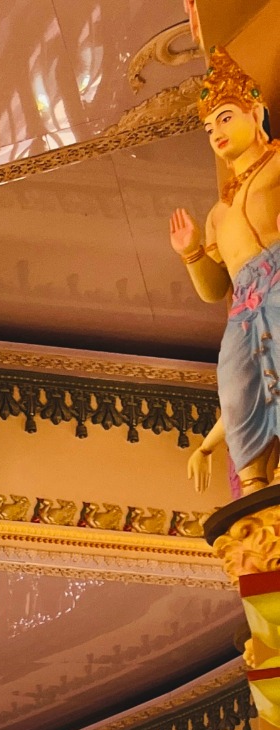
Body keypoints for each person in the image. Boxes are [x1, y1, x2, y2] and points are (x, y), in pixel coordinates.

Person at [173, 49, 280, 496]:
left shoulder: (276, 166)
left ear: (256, 113)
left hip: (276, 281)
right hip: (243, 301)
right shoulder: (218, 213)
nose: (215, 131)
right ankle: (254, 484)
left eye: (225, 117)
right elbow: (215, 290)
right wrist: (192, 252)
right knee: (235, 383)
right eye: (208, 126)